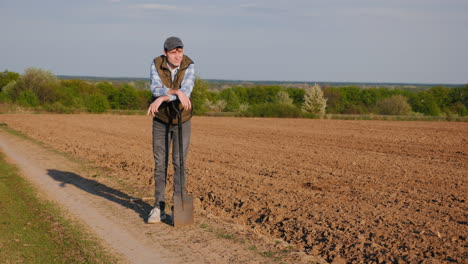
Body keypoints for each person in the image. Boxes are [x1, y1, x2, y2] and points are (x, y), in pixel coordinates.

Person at [146, 36, 195, 223]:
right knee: (160, 164)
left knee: (179, 163)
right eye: (173, 52)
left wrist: (163, 98)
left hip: (182, 120)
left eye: (180, 51)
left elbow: (187, 92)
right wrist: (174, 92)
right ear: (165, 53)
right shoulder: (156, 64)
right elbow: (155, 88)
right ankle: (158, 208)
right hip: (161, 121)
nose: (178, 56)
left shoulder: (189, 65)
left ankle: (179, 207)